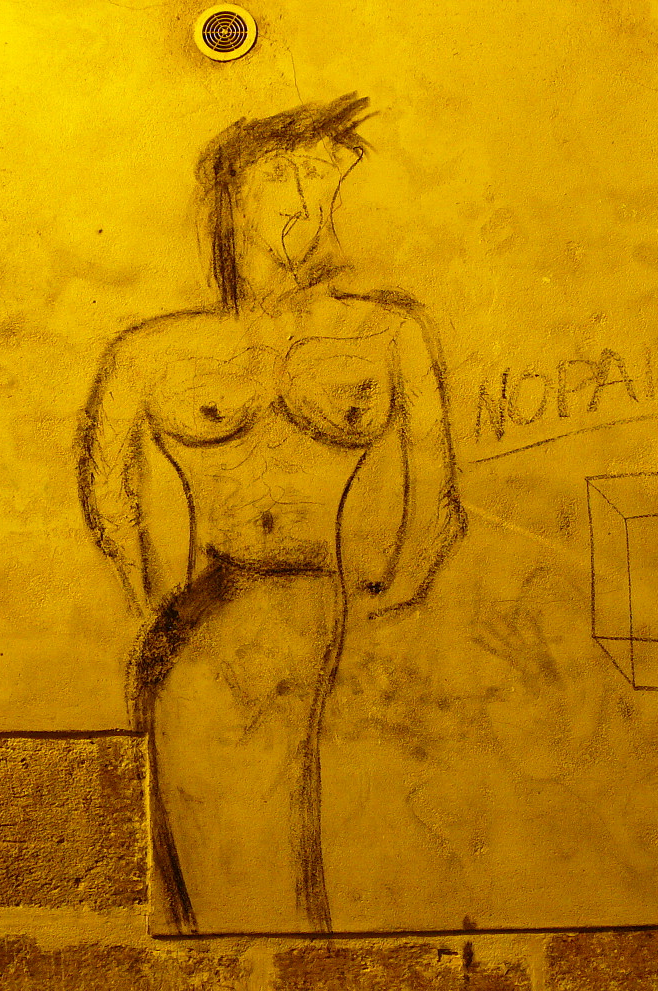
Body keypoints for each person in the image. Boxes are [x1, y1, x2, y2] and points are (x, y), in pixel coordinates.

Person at [78, 94, 464, 934]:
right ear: (232, 202)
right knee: (223, 881)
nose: (306, 202)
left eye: (324, 178)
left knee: (339, 867)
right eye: (283, 178)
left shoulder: (386, 333)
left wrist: (391, 604)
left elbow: (435, 495)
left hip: (339, 615)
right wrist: (152, 602)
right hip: (212, 621)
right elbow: (108, 489)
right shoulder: (153, 350)